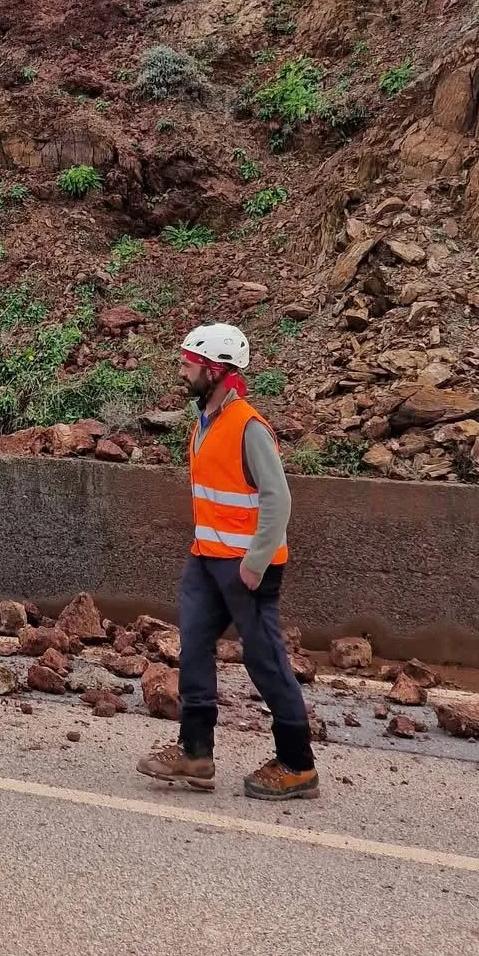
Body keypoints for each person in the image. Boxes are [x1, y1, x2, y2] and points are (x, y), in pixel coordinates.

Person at [137, 322, 320, 801]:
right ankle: (195, 752)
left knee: (265, 659)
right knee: (194, 648)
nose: (182, 371)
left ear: (215, 370)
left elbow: (278, 499)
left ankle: (298, 765)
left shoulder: (248, 427)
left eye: (189, 364)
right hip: (206, 560)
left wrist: (255, 563)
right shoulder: (205, 422)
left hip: (246, 569)